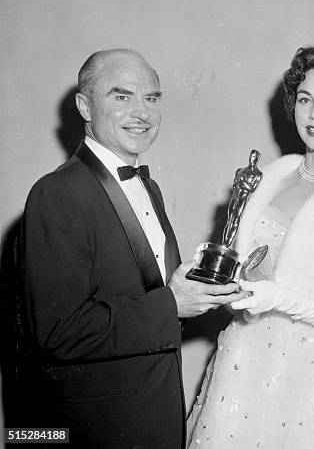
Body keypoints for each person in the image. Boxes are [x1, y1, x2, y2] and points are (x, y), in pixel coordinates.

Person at [22, 49, 244, 448]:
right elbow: (59, 333)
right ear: (84, 106)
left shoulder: (148, 188)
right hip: (97, 430)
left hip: (156, 418)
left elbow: (147, 299)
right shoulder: (56, 193)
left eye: (152, 98)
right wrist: (172, 304)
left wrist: (207, 291)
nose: (142, 113)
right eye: (121, 96)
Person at [186, 44, 314, 448]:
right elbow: (250, 276)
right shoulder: (271, 179)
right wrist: (223, 282)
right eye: (305, 99)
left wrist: (279, 299)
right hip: (246, 364)